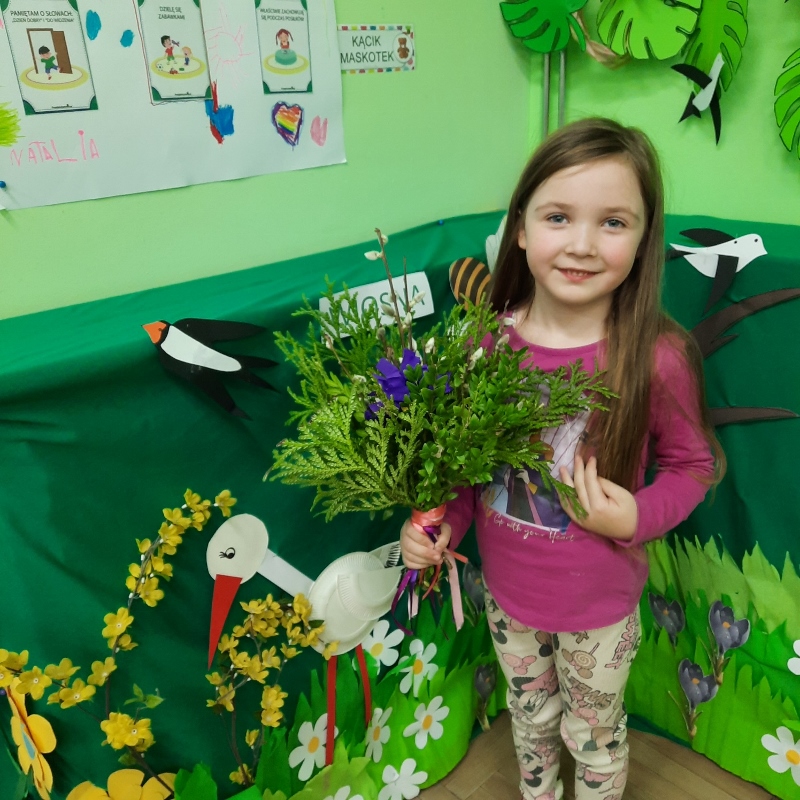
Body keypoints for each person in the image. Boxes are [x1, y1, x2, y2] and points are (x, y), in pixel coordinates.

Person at [400, 117, 725, 800]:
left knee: (594, 735)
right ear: (520, 228)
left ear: (644, 239)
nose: (581, 244)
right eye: (557, 216)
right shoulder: (483, 345)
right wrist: (439, 526)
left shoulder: (657, 356)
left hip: (600, 605)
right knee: (530, 722)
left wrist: (635, 516)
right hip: (508, 598)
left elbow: (694, 466)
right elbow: (467, 473)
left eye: (613, 222)